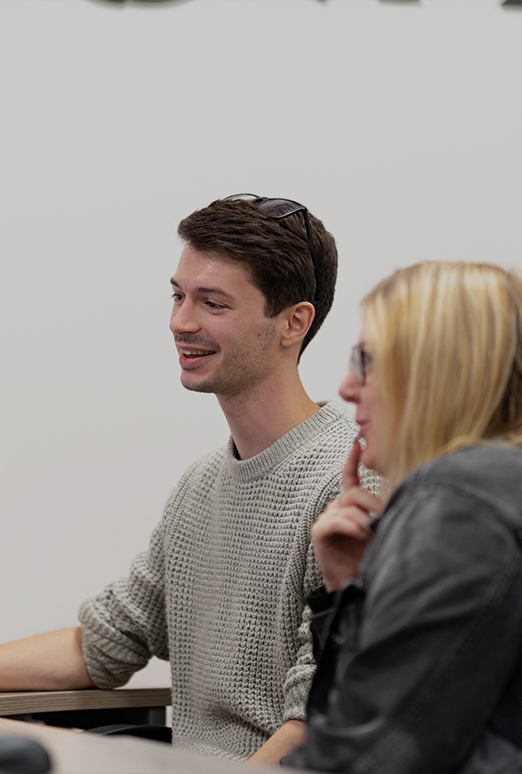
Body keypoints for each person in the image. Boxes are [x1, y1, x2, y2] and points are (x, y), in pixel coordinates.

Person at [0, 195, 379, 765]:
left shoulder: (350, 484)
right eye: (178, 296)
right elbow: (106, 642)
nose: (181, 322)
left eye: (213, 303)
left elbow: (317, 723)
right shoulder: (201, 485)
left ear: (293, 323)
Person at [283, 260, 522, 773]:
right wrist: (352, 589)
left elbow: (362, 756)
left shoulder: (459, 500)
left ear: (437, 369)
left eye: (366, 362)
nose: (347, 388)